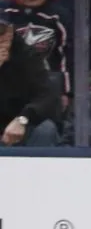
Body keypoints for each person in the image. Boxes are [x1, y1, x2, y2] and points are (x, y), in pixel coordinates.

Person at [0, 15, 59, 146]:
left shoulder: (28, 56)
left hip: (21, 123)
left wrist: (23, 119)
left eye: (1, 30)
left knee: (46, 129)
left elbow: (47, 95)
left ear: (10, 32)